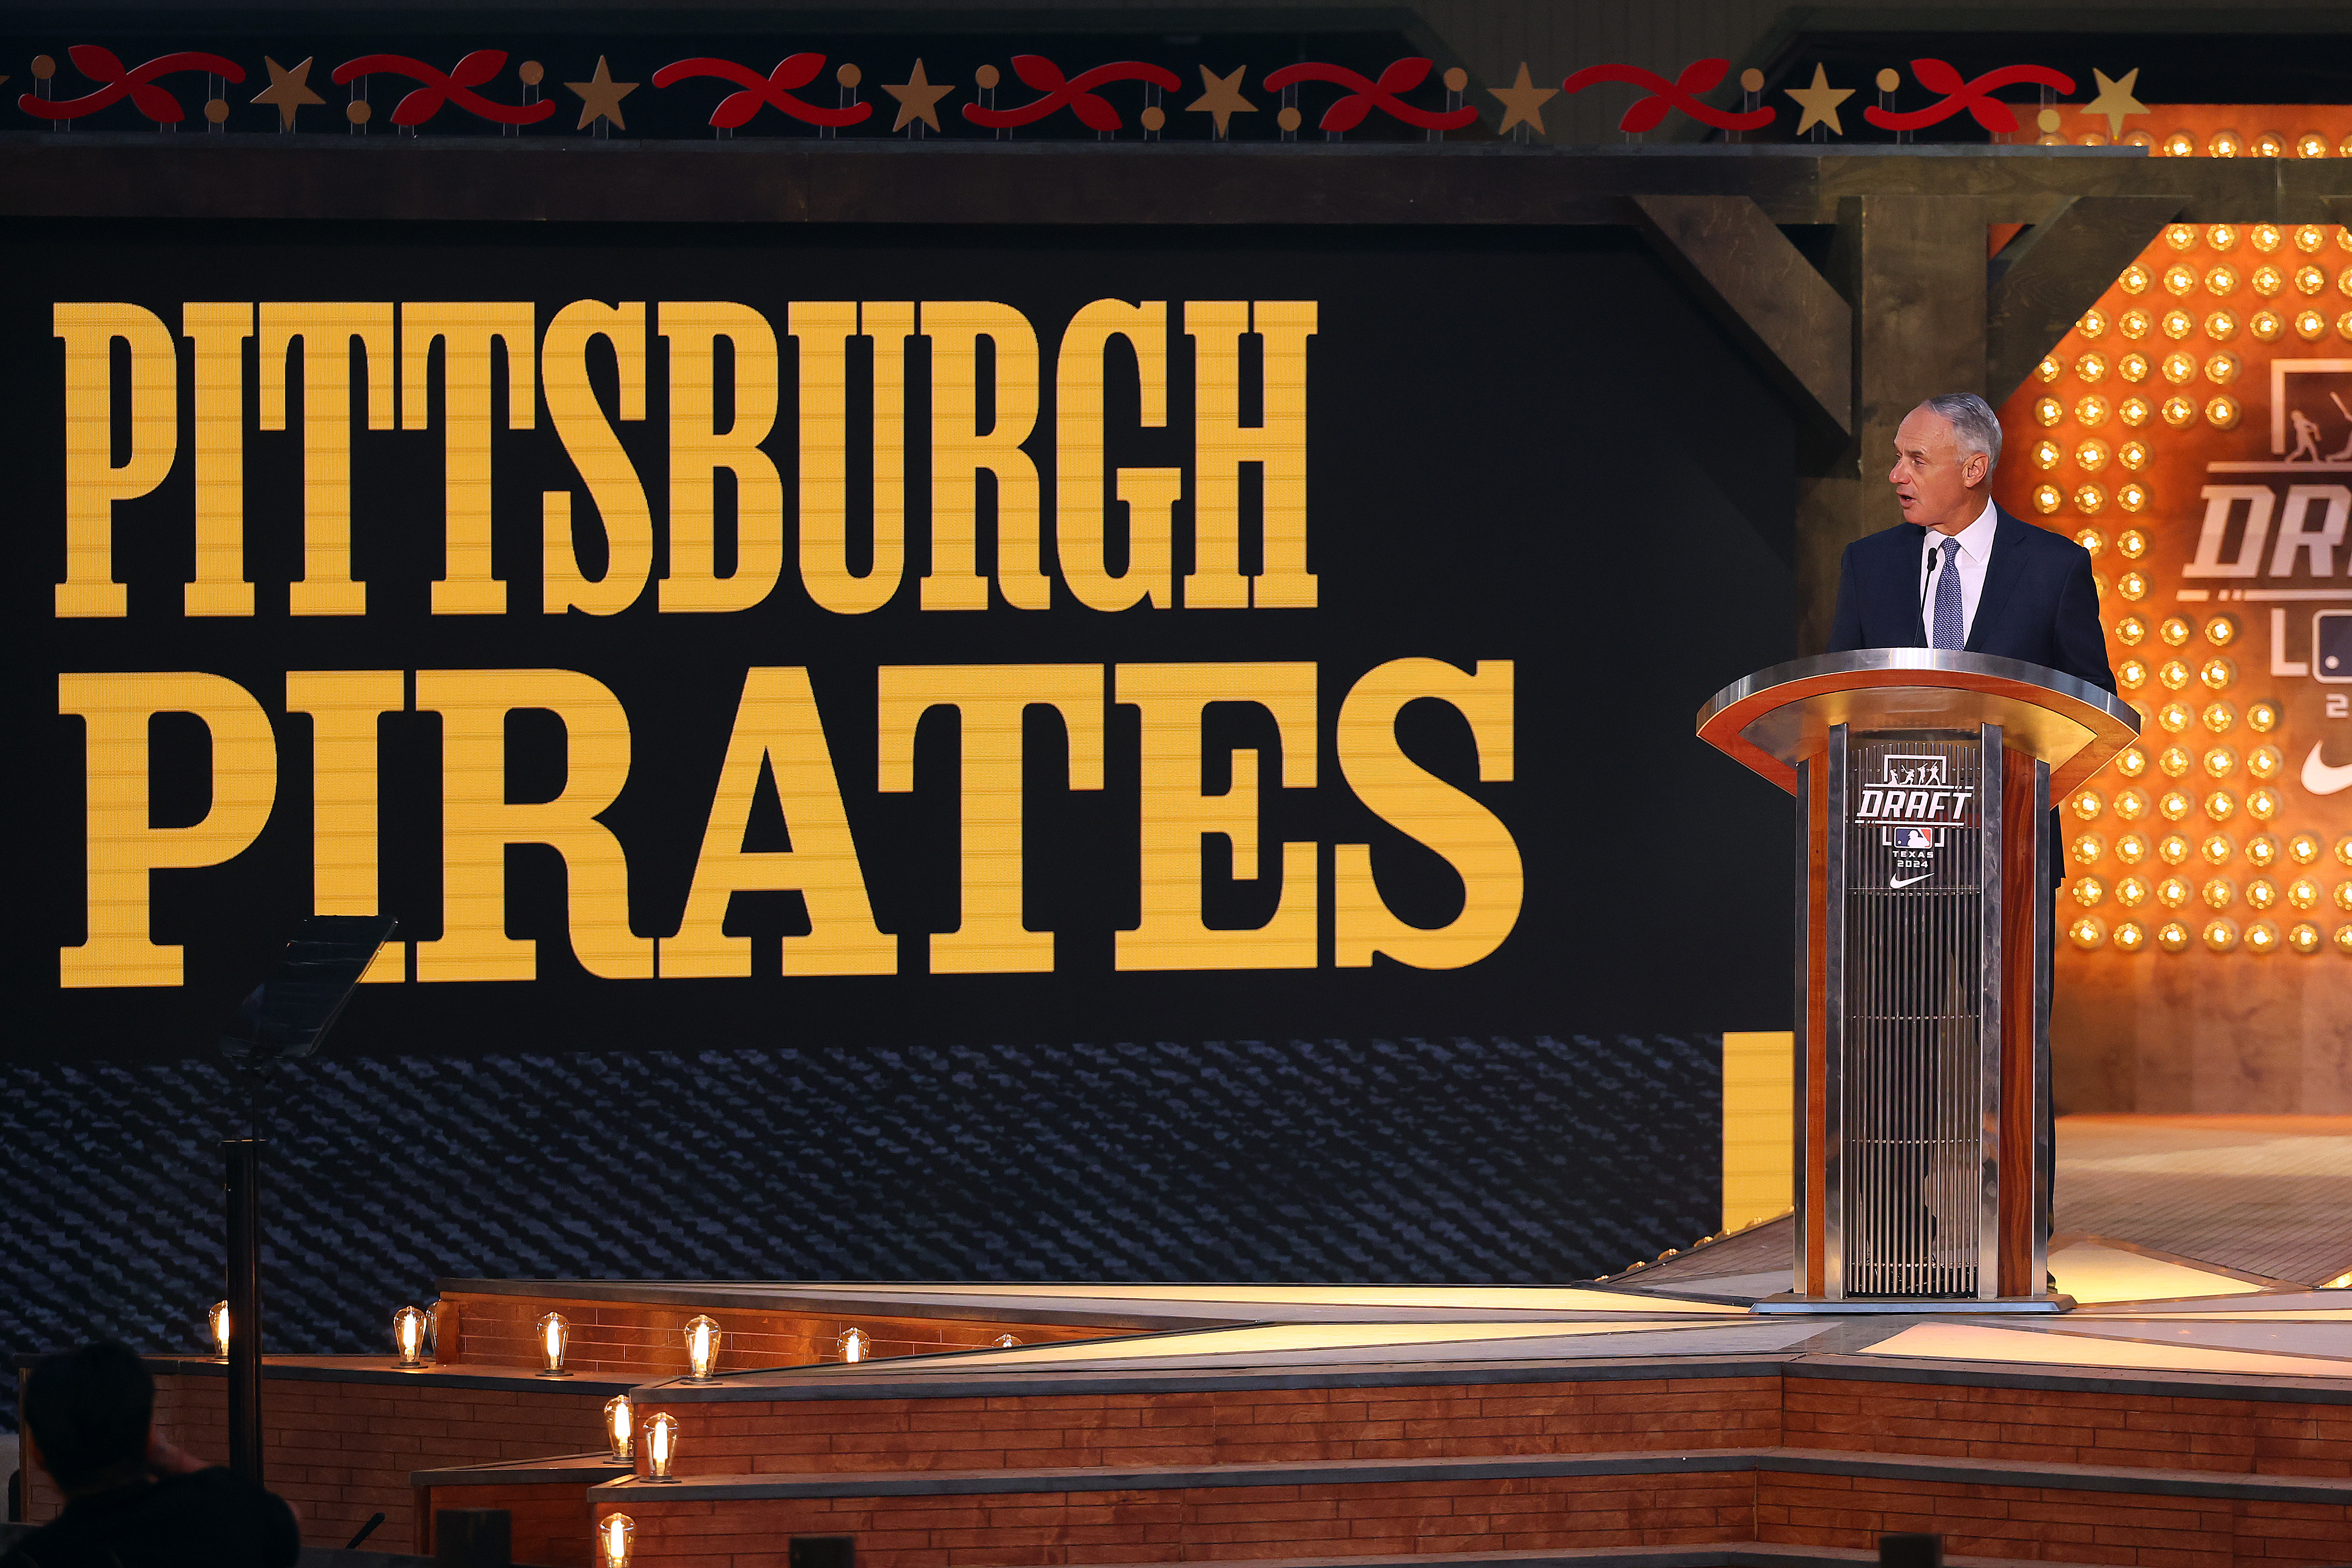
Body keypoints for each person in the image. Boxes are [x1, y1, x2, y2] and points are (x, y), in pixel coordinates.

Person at [1826, 392, 2115, 1294]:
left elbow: (2094, 710)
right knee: (1897, 1041)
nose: (1896, 475)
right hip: (1893, 861)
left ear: (1974, 466)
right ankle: (1900, 1230)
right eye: (1900, 459)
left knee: (2014, 1044)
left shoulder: (2054, 568)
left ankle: (2023, 1227)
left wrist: (2026, 787)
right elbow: (1839, 694)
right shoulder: (1869, 565)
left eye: (1915, 459)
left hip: (2014, 857)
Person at [2, 1343, 299, 1568]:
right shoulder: (216, 1518)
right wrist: (169, 1457)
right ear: (148, 1438)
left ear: (38, 1453)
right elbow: (287, 1520)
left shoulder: (33, 1559)